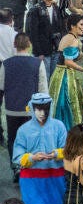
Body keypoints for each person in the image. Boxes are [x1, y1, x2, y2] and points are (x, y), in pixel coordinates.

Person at [12, 93, 67, 204]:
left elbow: (68, 150)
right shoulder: (23, 130)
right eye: (38, 109)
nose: (42, 113)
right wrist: (32, 157)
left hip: (55, 178)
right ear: (32, 108)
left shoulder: (59, 126)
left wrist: (56, 154)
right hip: (31, 180)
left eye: (46, 108)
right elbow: (16, 157)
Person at [0, 33, 47, 178]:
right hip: (31, 111)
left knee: (13, 138)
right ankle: (29, 166)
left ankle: (16, 167)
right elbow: (43, 90)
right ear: (29, 44)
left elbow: (1, 87)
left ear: (15, 45)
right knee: (31, 138)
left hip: (12, 109)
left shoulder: (6, 64)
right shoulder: (38, 63)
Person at [48, 14, 83, 130]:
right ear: (73, 26)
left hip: (59, 73)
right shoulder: (73, 40)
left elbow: (69, 56)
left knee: (59, 103)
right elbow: (68, 62)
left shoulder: (68, 37)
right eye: (81, 25)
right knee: (68, 105)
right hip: (65, 75)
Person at [25, 0, 64, 77]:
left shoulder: (56, 8)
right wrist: (38, 53)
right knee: (43, 79)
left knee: (53, 79)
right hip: (42, 51)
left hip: (55, 49)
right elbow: (32, 33)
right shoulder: (35, 10)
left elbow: (60, 28)